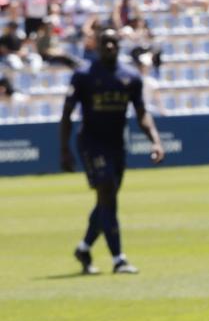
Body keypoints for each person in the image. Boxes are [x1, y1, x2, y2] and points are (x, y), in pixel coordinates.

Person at [59, 26, 165, 275]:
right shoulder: (83, 74)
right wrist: (64, 148)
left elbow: (141, 113)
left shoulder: (131, 77)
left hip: (116, 144)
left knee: (105, 201)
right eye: (104, 42)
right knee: (108, 194)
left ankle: (84, 248)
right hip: (91, 142)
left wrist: (156, 141)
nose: (109, 46)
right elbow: (66, 114)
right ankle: (119, 259)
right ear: (96, 44)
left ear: (119, 44)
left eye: (113, 42)